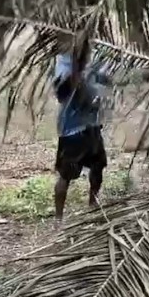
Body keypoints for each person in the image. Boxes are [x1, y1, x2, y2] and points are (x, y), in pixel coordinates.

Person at [52, 50, 112, 221]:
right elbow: (61, 91)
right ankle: (58, 219)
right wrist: (78, 73)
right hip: (72, 129)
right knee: (66, 174)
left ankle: (93, 206)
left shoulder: (98, 56)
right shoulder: (65, 60)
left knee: (98, 166)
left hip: (92, 125)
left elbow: (105, 82)